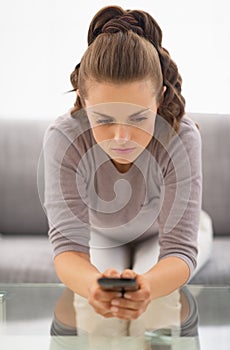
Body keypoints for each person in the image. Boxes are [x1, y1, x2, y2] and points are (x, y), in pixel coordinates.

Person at [43, 5, 211, 326]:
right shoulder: (63, 138)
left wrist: (149, 286)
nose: (122, 137)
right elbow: (69, 250)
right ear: (83, 100)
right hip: (102, 234)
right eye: (104, 119)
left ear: (159, 99)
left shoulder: (181, 136)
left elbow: (179, 251)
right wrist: (92, 285)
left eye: (138, 118)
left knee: (156, 304)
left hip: (163, 236)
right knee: (97, 311)